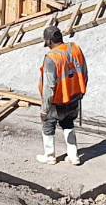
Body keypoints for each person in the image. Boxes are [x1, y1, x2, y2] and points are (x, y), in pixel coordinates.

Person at [37, 26, 88, 166]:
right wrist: (81, 92)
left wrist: (44, 109)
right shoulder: (75, 49)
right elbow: (84, 72)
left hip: (57, 100)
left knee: (48, 126)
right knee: (68, 123)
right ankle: (74, 156)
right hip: (74, 97)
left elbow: (49, 87)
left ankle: (50, 156)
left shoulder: (52, 58)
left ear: (49, 41)